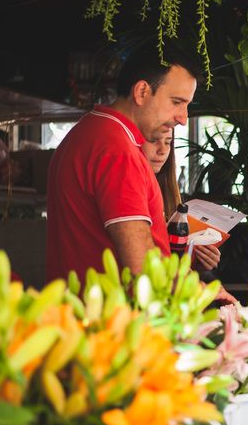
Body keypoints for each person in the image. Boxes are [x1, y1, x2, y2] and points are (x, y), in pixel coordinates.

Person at [46, 48, 198, 282]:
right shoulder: (119, 151)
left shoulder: (89, 130)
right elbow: (142, 266)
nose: (183, 117)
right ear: (142, 92)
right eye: (177, 102)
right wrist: (201, 291)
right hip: (112, 315)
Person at [142, 129, 221, 272]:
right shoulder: (131, 187)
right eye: (153, 141)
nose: (162, 150)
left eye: (168, 142)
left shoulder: (169, 192)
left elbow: (176, 260)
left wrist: (199, 260)